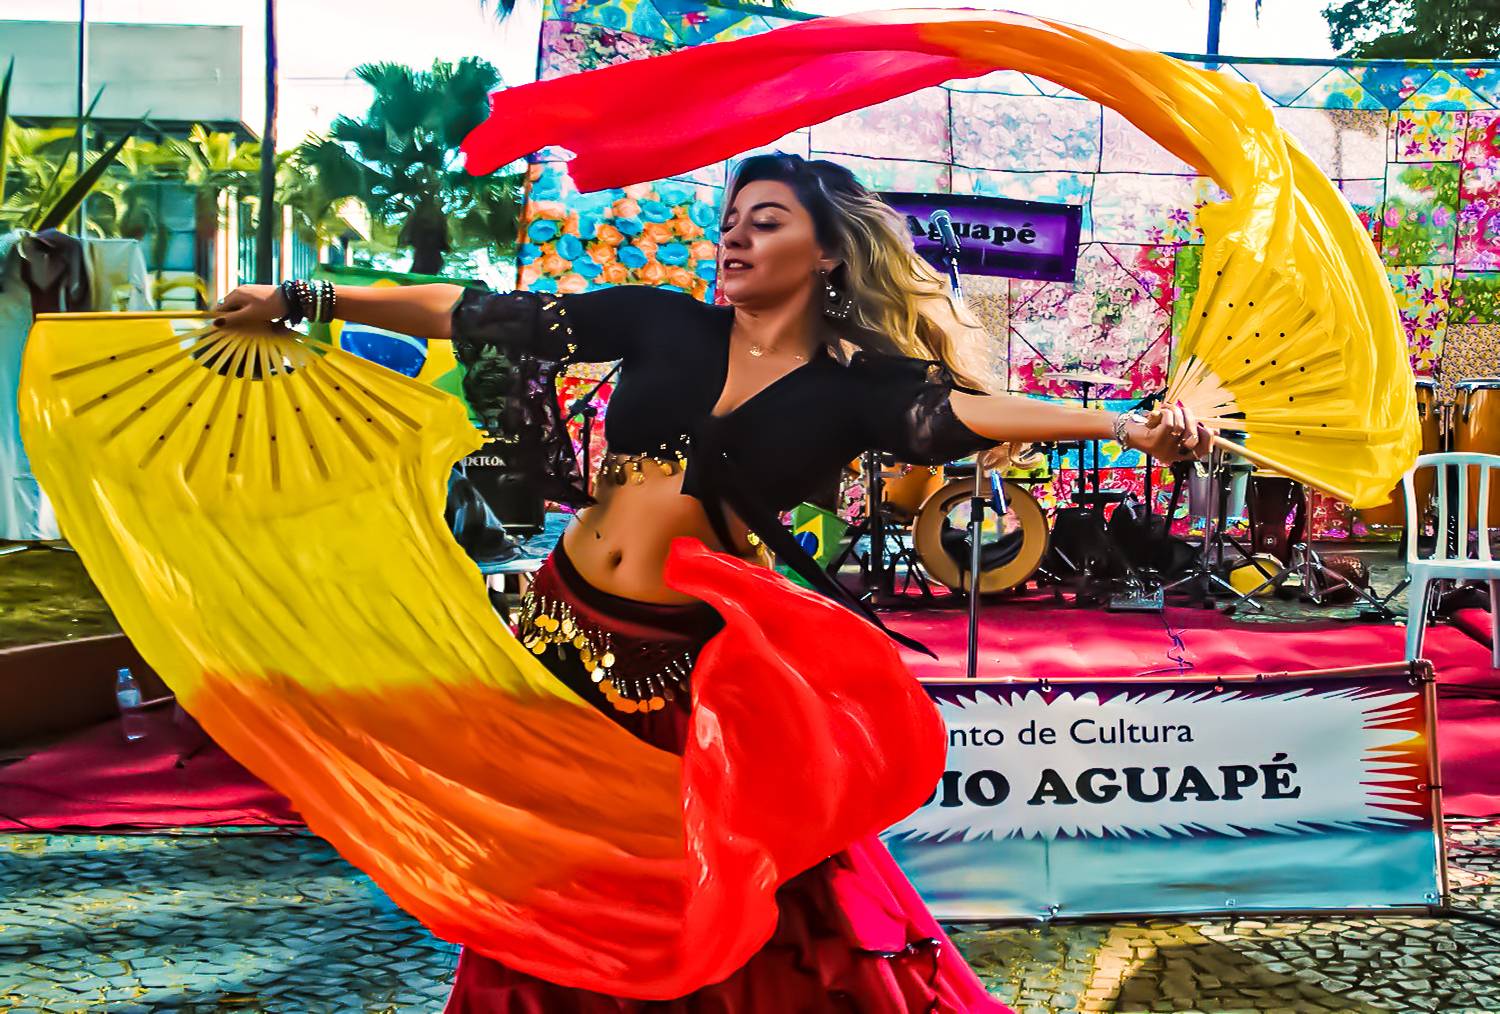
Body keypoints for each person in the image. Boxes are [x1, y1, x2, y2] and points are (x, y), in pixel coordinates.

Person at [215, 153, 1210, 1012]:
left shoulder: (857, 388)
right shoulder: (662, 324)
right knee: (556, 880)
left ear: (827, 253)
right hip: (557, 637)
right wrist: (306, 300)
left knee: (734, 890)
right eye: (730, 220)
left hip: (683, 672)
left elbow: (962, 415)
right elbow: (479, 313)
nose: (733, 236)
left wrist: (1125, 425)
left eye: (765, 221)